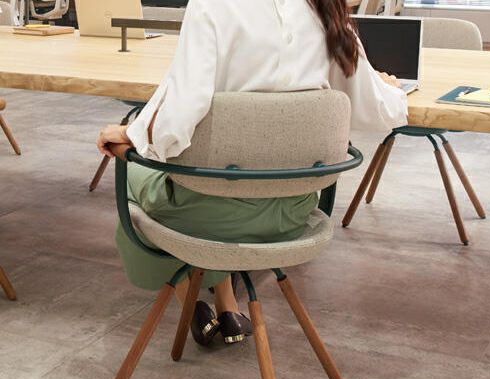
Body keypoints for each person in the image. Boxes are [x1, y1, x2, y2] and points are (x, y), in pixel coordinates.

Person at [97, 0, 408, 346]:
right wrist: (391, 90)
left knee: (138, 176)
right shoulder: (326, 9)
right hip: (293, 214)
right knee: (218, 176)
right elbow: (376, 109)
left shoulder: (211, 6)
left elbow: (178, 119)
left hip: (207, 218)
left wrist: (133, 134)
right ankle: (227, 305)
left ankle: (189, 301)